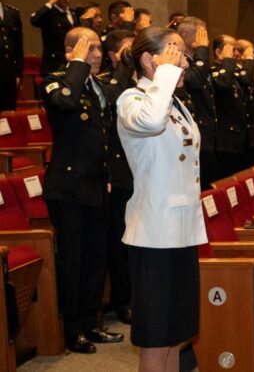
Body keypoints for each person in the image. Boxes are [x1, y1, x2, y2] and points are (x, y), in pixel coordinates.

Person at [116, 26, 206, 372]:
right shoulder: (132, 100)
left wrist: (167, 77)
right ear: (147, 60)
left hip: (182, 231)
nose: (184, 61)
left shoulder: (175, 102)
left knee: (177, 334)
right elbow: (151, 122)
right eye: (173, 53)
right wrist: (166, 76)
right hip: (153, 234)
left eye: (183, 54)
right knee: (156, 338)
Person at [41, 27, 123, 353]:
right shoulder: (55, 80)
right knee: (73, 261)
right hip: (68, 187)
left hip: (96, 184)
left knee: (95, 259)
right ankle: (72, 329)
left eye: (99, 48)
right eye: (89, 48)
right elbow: (65, 103)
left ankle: (92, 323)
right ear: (70, 52)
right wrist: (76, 64)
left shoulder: (98, 85)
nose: (97, 54)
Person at [99, 29, 137, 325]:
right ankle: (123, 300)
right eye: (127, 50)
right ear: (113, 56)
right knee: (120, 241)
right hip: (119, 171)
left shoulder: (141, 82)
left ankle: (138, 295)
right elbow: (113, 101)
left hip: (142, 170)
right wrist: (124, 65)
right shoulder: (108, 83)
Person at [176, 17, 218, 188]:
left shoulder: (199, 62)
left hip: (207, 134)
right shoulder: (180, 63)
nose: (205, 40)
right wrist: (202, 50)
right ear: (185, 35)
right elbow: (193, 82)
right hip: (191, 134)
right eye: (201, 34)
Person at [211, 34, 248, 177]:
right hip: (224, 140)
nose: (237, 54)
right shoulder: (215, 71)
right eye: (232, 50)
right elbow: (223, 84)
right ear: (219, 52)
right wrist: (228, 61)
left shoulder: (233, 73)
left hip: (237, 138)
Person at [30, 0, 76, 76]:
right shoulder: (49, 14)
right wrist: (50, 2)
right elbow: (34, 20)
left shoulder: (73, 13)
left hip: (71, 63)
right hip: (54, 64)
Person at [234, 38, 254, 167]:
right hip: (239, 136)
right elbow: (244, 80)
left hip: (251, 134)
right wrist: (249, 61)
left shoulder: (246, 73)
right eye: (250, 52)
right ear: (237, 53)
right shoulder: (234, 72)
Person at [0, 0, 23, 111]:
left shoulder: (12, 13)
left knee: (9, 111)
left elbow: (19, 46)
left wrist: (18, 74)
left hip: (9, 73)